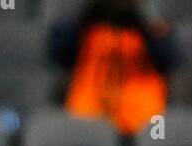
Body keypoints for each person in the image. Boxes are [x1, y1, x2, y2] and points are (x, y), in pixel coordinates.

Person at [47, 0, 180, 136]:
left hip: (144, 122)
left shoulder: (150, 28)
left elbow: (169, 60)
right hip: (88, 119)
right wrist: (86, 13)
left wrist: (144, 20)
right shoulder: (85, 25)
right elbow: (58, 54)